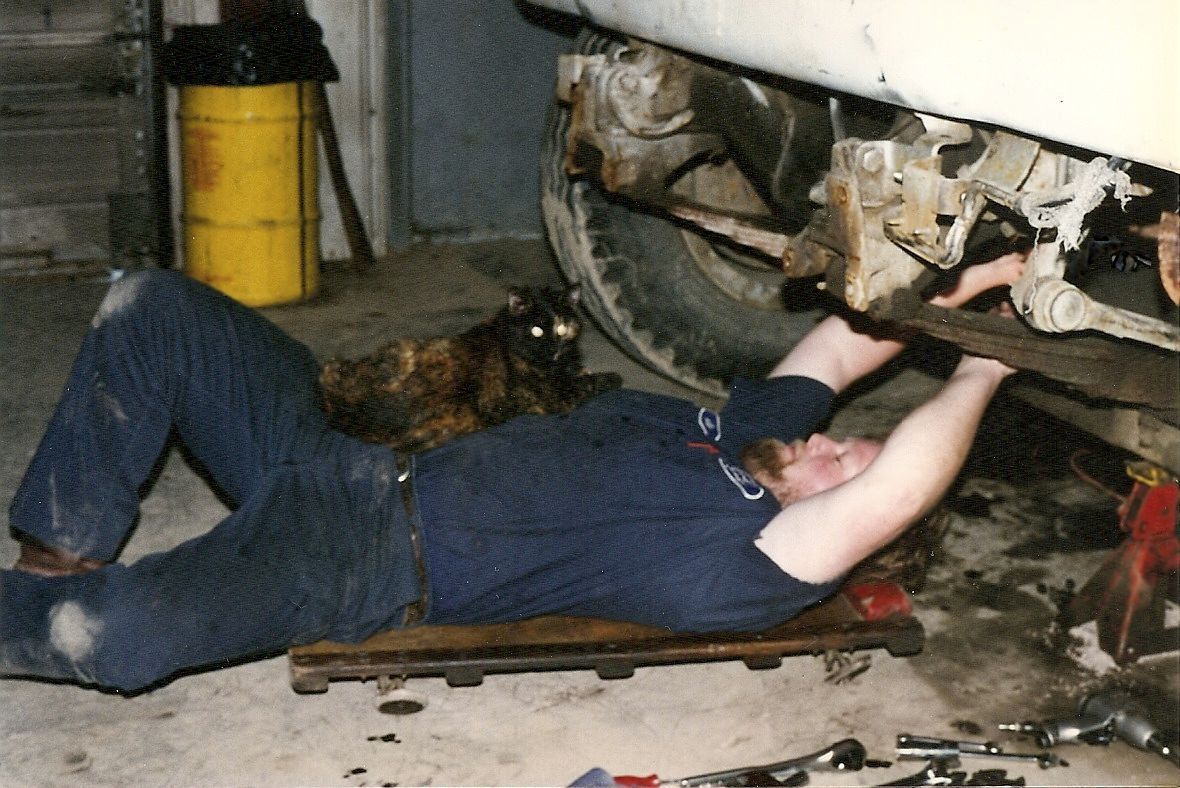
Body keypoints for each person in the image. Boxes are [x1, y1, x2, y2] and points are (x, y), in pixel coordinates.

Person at [0, 253, 1024, 692]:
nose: (832, 440)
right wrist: (983, 277)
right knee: (150, 307)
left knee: (118, 637)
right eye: (847, 437)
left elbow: (895, 489)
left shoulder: (748, 558)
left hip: (354, 555)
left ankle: (55, 612)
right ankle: (56, 559)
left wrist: (982, 370)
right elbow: (849, 345)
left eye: (847, 462)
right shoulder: (755, 430)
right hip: (344, 448)